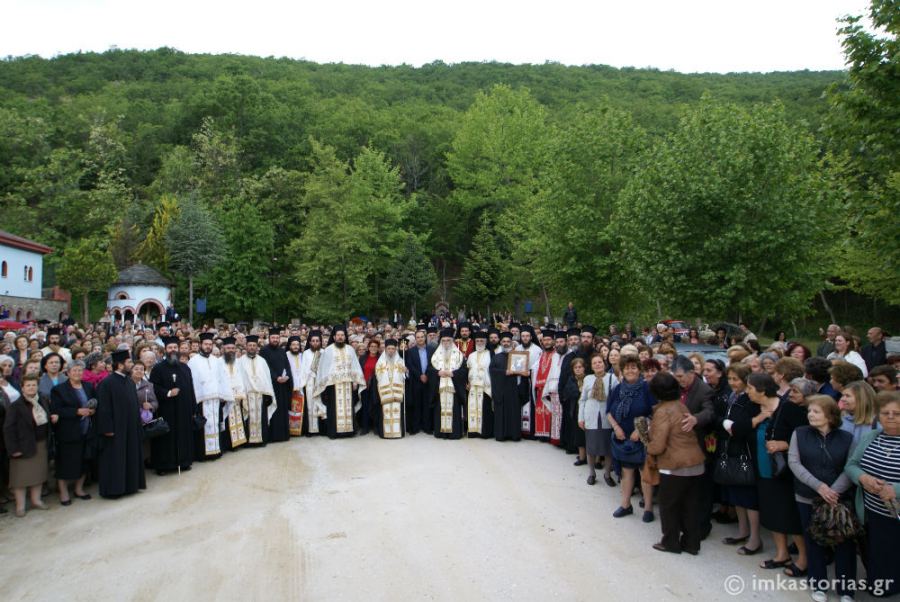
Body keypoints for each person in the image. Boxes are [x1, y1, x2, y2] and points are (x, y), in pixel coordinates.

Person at [787, 395, 856, 602]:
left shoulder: (846, 438)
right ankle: (818, 584)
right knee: (813, 541)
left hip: (838, 500)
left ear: (830, 415)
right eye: (809, 411)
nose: (810, 414)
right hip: (807, 496)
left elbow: (850, 466)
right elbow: (794, 463)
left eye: (816, 411)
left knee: (844, 544)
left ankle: (846, 590)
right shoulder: (799, 434)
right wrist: (819, 487)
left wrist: (833, 491)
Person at [746, 372, 809, 577]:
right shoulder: (755, 408)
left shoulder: (787, 407)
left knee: (789, 515)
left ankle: (804, 558)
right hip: (764, 468)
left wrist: (786, 444)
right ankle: (782, 553)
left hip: (783, 471)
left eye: (750, 388)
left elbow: (806, 435)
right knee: (772, 512)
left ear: (762, 390)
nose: (747, 392)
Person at [844, 390, 900, 598]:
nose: (891, 418)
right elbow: (851, 465)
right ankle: (879, 585)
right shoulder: (871, 436)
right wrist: (863, 478)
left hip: (896, 515)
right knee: (877, 553)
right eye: (886, 413)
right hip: (872, 512)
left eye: (897, 413)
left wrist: (894, 489)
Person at [646, 372, 706, 555]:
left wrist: (647, 443)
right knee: (690, 505)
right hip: (695, 462)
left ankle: (670, 542)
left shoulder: (662, 411)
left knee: (669, 506)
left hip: (675, 466)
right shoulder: (682, 406)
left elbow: (658, 445)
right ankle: (691, 543)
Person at [718, 363, 763, 555]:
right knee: (736, 493)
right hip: (732, 448)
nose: (732, 382)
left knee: (749, 497)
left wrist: (732, 427)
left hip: (745, 449)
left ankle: (755, 538)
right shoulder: (732, 396)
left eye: (736, 379)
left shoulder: (750, 400)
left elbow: (745, 425)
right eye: (730, 379)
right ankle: (742, 531)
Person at [607, 354, 656, 521]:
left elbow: (654, 412)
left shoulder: (646, 388)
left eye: (633, 367)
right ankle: (625, 504)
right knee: (626, 473)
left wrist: (641, 429)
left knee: (644, 474)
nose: (630, 370)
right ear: (622, 370)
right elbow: (609, 412)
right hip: (622, 438)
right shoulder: (617, 389)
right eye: (627, 367)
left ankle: (648, 508)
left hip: (642, 439)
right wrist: (616, 427)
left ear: (639, 369)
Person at [95, 350, 145, 499]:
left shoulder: (128, 381)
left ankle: (130, 486)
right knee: (115, 459)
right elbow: (103, 409)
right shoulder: (107, 383)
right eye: (129, 362)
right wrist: (107, 428)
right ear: (120, 364)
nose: (131, 365)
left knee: (130, 455)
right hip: (115, 430)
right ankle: (114, 489)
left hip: (130, 427)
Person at [50, 360, 95, 506]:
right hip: (68, 431)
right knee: (65, 463)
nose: (77, 373)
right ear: (68, 373)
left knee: (84, 460)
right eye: (74, 370)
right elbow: (57, 410)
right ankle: (63, 492)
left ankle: (79, 489)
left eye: (80, 370)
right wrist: (76, 411)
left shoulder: (88, 386)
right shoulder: (59, 389)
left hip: (86, 429)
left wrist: (93, 410)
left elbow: (95, 401)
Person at [3, 374, 49, 516]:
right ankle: (20, 506)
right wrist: (14, 449)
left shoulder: (42, 400)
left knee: (38, 475)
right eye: (28, 385)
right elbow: (8, 429)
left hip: (40, 444)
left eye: (34, 385)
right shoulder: (16, 406)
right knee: (20, 479)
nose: (31, 387)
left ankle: (36, 500)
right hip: (22, 447)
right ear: (22, 388)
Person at [149, 337, 197, 473]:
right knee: (166, 438)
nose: (173, 350)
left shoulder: (185, 368)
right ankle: (164, 466)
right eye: (170, 348)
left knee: (183, 435)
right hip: (166, 409)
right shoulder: (158, 369)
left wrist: (193, 408)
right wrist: (168, 393)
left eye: (175, 348)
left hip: (184, 409)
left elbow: (191, 388)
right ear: (165, 350)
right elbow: (154, 388)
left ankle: (184, 461)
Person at [188, 333, 234, 460]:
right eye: (205, 344)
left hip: (216, 399)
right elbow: (193, 382)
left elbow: (222, 378)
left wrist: (225, 394)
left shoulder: (216, 361)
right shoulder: (193, 361)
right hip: (201, 400)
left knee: (215, 424)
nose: (208, 347)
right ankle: (202, 454)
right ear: (200, 345)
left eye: (210, 344)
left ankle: (216, 450)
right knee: (203, 426)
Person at [315, 326, 366, 439]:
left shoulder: (350, 349)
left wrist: (356, 381)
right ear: (334, 337)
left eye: (342, 335)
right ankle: (334, 432)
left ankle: (349, 431)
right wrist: (325, 382)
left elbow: (355, 366)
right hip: (333, 385)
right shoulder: (328, 350)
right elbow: (323, 368)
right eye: (338, 335)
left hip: (348, 384)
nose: (340, 337)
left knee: (349, 407)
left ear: (345, 337)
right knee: (334, 408)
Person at [579, 354, 618, 487]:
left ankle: (607, 474)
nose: (597, 365)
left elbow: (616, 399)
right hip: (590, 417)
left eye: (600, 362)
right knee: (591, 448)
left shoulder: (612, 378)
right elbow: (583, 399)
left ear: (604, 363)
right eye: (594, 363)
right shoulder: (588, 379)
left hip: (607, 417)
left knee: (608, 449)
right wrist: (581, 418)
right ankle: (592, 473)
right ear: (591, 366)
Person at [237, 335, 277, 445]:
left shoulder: (262, 361)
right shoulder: (239, 362)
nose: (252, 347)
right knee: (247, 418)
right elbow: (239, 379)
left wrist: (268, 393)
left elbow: (267, 379)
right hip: (247, 396)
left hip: (260, 395)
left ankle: (261, 440)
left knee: (261, 418)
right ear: (246, 346)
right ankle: (248, 442)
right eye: (250, 345)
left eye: (254, 345)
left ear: (257, 347)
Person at [431, 328, 466, 439]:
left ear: (452, 341)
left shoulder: (459, 355)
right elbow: (429, 370)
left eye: (448, 340)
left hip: (453, 388)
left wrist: (453, 373)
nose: (446, 343)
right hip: (440, 388)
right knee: (440, 409)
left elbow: (464, 371)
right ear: (441, 341)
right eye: (444, 340)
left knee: (453, 409)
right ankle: (441, 432)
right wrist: (438, 372)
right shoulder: (435, 355)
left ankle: (454, 433)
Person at [490, 332, 525, 442]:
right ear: (501, 343)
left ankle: (514, 435)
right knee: (501, 412)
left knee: (514, 411)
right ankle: (501, 435)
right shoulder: (496, 357)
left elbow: (522, 370)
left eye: (508, 342)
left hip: (514, 389)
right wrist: (505, 372)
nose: (506, 344)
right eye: (504, 342)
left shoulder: (518, 356)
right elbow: (492, 371)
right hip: (501, 389)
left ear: (511, 343)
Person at [259, 332, 292, 442]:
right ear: (269, 338)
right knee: (273, 409)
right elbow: (265, 367)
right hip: (271, 385)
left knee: (282, 410)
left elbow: (287, 365)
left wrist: (287, 375)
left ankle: (283, 435)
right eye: (273, 337)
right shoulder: (264, 351)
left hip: (282, 386)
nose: (275, 339)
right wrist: (276, 377)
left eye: (277, 338)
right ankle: (273, 436)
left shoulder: (282, 351)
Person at [372, 339, 407, 439]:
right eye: (389, 349)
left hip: (397, 391)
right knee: (385, 412)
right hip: (385, 391)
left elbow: (404, 377)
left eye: (393, 348)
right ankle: (385, 433)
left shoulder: (401, 361)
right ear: (385, 349)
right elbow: (378, 376)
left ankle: (398, 432)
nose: (391, 351)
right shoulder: (380, 362)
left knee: (397, 410)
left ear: (395, 349)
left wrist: (405, 371)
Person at [405, 328, 435, 435]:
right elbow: (410, 365)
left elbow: (433, 363)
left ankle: (427, 427)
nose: (420, 339)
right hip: (416, 381)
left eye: (422, 337)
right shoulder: (411, 351)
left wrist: (426, 375)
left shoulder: (432, 349)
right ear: (415, 339)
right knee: (416, 404)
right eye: (418, 337)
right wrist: (420, 375)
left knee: (427, 404)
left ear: (425, 338)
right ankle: (416, 427)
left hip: (428, 381)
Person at [531, 329, 559, 442]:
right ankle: (541, 434)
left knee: (549, 411)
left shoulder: (556, 354)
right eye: (544, 340)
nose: (546, 342)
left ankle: (549, 434)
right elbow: (535, 368)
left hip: (549, 388)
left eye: (549, 340)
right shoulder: (541, 354)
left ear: (553, 341)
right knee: (540, 412)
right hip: (539, 387)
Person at [221, 337, 248, 450]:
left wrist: (241, 392)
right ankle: (228, 444)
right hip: (226, 396)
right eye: (228, 348)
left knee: (238, 418)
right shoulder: (218, 362)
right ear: (223, 349)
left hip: (238, 396)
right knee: (227, 419)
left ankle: (239, 442)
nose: (231, 350)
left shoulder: (238, 362)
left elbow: (242, 377)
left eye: (232, 348)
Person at [466, 331, 493, 438]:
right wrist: (467, 382)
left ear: (486, 342)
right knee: (473, 408)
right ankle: (473, 431)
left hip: (485, 387)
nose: (480, 342)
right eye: (477, 341)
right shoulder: (471, 355)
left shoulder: (490, 354)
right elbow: (467, 369)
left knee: (485, 410)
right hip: (473, 387)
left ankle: (484, 432)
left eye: (482, 340)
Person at [298, 331, 326, 436]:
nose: (315, 343)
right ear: (309, 342)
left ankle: (322, 429)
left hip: (321, 383)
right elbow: (303, 369)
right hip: (309, 382)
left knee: (321, 404)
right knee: (310, 405)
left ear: (320, 342)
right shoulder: (306, 353)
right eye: (313, 341)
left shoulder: (324, 352)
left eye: (317, 341)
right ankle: (311, 429)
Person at [839, 380, 877, 445]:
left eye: (847, 396)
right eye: (843, 395)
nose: (842, 399)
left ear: (862, 399)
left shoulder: (877, 424)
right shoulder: (840, 421)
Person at [358, 339, 380, 436]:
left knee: (375, 406)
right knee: (365, 406)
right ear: (368, 348)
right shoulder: (363, 358)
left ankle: (375, 427)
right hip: (364, 386)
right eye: (371, 346)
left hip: (376, 387)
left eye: (375, 346)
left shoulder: (380, 359)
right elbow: (359, 371)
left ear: (378, 348)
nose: (373, 348)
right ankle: (365, 427)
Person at [284, 336, 306, 436]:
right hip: (289, 387)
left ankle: (300, 430)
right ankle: (290, 430)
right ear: (290, 346)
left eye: (297, 345)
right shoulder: (286, 355)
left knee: (301, 410)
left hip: (301, 386)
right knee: (290, 409)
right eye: (293, 344)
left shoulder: (302, 355)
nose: (296, 347)